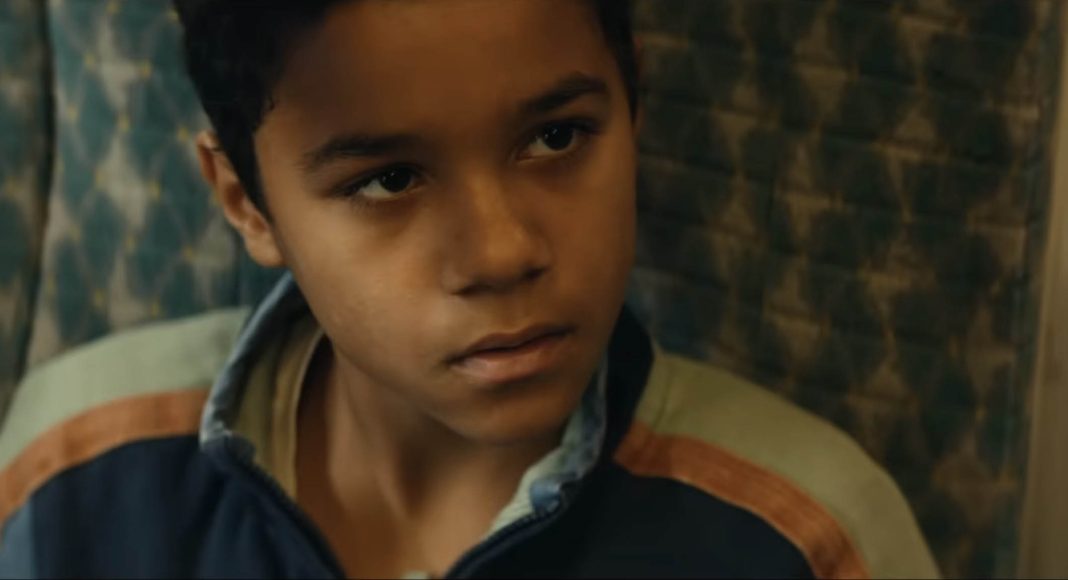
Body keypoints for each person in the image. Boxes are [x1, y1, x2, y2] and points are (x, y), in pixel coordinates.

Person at [0, 1, 939, 577]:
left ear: (634, 102)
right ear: (247, 203)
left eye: (557, 137)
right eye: (389, 181)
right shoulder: (72, 472)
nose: (501, 253)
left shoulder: (801, 538)